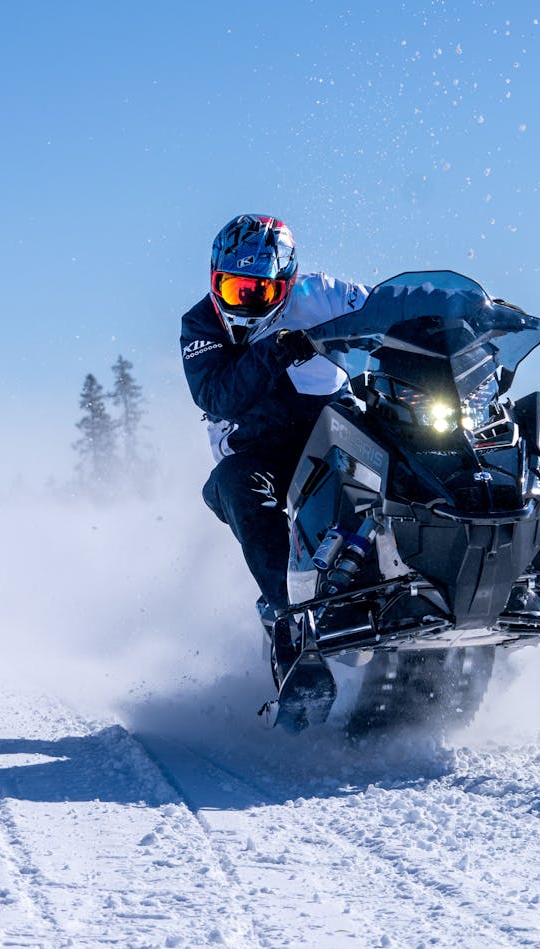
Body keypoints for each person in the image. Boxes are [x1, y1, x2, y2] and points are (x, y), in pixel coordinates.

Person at [180, 214, 368, 669]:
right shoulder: (201, 325)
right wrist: (276, 349)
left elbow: (384, 310)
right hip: (258, 453)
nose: (243, 303)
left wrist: (445, 316)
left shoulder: (322, 294)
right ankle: (291, 613)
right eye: (232, 289)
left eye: (257, 292)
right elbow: (216, 394)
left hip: (334, 432)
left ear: (286, 281)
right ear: (214, 281)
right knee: (236, 485)